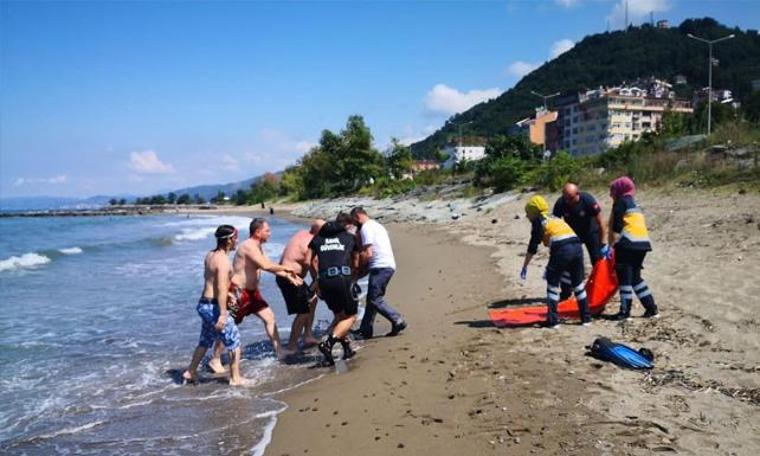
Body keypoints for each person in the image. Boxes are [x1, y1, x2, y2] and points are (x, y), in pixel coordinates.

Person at [209, 218, 301, 368]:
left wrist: (288, 276)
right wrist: (287, 270)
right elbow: (265, 265)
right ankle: (215, 358)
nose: (270, 234)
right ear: (258, 232)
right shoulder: (248, 246)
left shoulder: (257, 246)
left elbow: (268, 265)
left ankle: (279, 351)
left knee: (269, 317)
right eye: (267, 230)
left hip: (252, 294)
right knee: (229, 326)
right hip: (238, 294)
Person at [182, 225, 245, 386]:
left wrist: (230, 294)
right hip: (214, 307)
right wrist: (223, 314)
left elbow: (211, 280)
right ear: (229, 240)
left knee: (206, 340)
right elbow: (221, 288)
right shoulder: (223, 261)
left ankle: (191, 371)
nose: (237, 240)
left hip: (204, 304)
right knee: (234, 341)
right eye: (236, 237)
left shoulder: (210, 255)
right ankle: (235, 378)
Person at [521, 195, 591, 328]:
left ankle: (553, 321)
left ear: (534, 212)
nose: (527, 217)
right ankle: (586, 318)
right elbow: (551, 239)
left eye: (527, 213)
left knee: (552, 284)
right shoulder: (555, 218)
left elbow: (533, 246)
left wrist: (525, 266)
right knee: (578, 284)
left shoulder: (538, 221)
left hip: (562, 249)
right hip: (577, 247)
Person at [309, 213, 360, 366]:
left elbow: (310, 261)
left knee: (339, 315)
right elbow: (356, 261)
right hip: (342, 278)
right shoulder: (349, 237)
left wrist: (316, 279)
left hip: (324, 279)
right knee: (351, 316)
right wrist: (353, 276)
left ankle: (347, 348)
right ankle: (328, 343)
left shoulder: (317, 240)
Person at [350, 206, 406, 339]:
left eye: (354, 221)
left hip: (380, 266)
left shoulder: (366, 228)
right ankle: (365, 330)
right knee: (372, 299)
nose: (355, 225)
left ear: (358, 217)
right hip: (386, 265)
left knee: (375, 299)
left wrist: (358, 271)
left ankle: (397, 319)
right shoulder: (377, 225)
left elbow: (368, 253)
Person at [607, 177, 659, 320]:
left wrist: (610, 247)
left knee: (625, 278)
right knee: (636, 277)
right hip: (642, 244)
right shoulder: (634, 204)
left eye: (612, 191)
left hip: (628, 243)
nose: (611, 194)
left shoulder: (620, 203)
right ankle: (652, 309)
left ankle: (625, 312)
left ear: (618, 190)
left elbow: (616, 227)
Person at [276, 219, 325, 353]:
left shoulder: (303, 233)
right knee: (304, 310)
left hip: (294, 278)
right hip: (289, 279)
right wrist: (320, 285)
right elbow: (312, 265)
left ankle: (307, 335)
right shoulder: (310, 242)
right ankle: (291, 346)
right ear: (319, 231)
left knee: (312, 299)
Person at [552, 183, 608, 299]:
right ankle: (566, 292)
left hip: (590, 231)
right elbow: (555, 225)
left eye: (571, 198)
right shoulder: (561, 203)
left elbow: (601, 222)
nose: (568, 201)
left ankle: (600, 290)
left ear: (578, 194)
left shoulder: (587, 200)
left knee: (597, 260)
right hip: (572, 234)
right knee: (566, 260)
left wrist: (603, 243)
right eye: (565, 198)